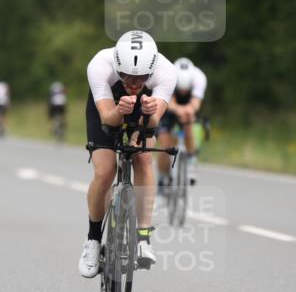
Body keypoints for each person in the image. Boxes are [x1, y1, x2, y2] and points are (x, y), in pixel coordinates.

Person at [79, 30, 176, 278]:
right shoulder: (100, 65)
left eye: (141, 78)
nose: (133, 83)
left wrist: (148, 113)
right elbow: (107, 118)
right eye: (126, 76)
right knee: (105, 171)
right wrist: (120, 110)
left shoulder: (166, 72)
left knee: (144, 158)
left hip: (145, 109)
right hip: (109, 108)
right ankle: (92, 240)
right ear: (117, 66)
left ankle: (143, 238)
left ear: (151, 71)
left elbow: (153, 122)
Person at [157, 57, 207, 187]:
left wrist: (187, 111)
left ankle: (191, 161)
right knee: (165, 145)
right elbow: (168, 102)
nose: (183, 91)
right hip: (169, 105)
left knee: (188, 123)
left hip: (188, 106)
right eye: (181, 89)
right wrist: (178, 109)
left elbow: (196, 103)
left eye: (186, 89)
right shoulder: (168, 76)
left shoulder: (199, 78)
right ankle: (163, 175)